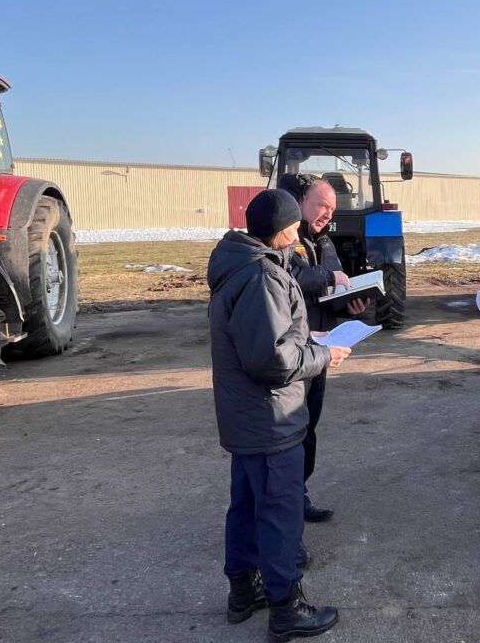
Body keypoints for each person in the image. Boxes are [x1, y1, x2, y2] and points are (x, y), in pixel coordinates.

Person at [208, 188, 350, 640]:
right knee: (279, 514)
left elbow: (269, 339)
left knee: (247, 508)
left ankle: (243, 591)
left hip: (249, 419)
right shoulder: (262, 277)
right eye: (293, 225)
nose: (297, 233)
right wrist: (322, 354)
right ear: (283, 228)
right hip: (270, 421)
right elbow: (270, 360)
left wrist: (311, 340)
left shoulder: (241, 266)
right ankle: (286, 608)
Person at [280, 173, 370, 524]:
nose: (328, 214)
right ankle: (286, 513)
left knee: (306, 429)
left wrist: (347, 305)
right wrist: (330, 279)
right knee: (289, 433)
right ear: (301, 201)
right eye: (322, 205)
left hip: (318, 349)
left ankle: (297, 497)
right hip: (294, 352)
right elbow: (292, 278)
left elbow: (330, 290)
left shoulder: (325, 242)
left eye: (332, 209)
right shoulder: (285, 237)